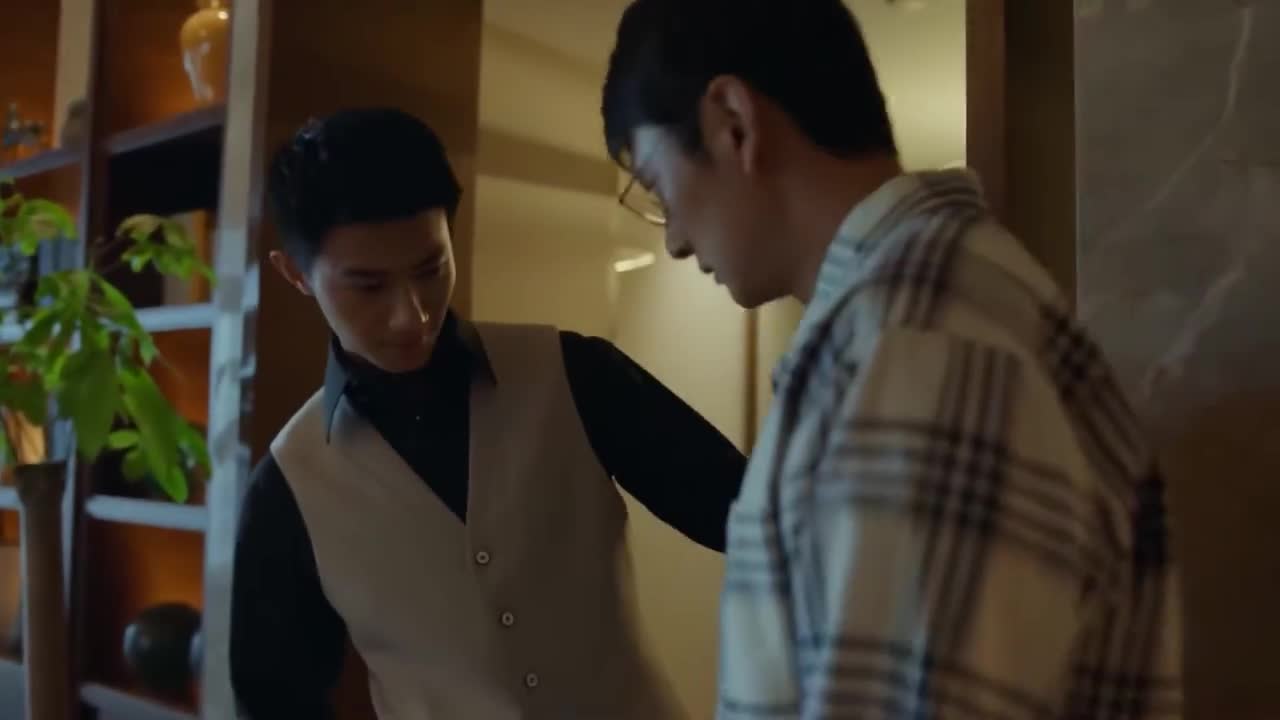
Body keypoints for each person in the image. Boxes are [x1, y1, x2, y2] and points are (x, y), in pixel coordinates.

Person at [601, 1, 1184, 718]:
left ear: (733, 122)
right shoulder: (921, 319)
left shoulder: (916, 343)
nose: (675, 241)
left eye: (658, 188)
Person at [229, 107, 746, 719]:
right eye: (368, 286)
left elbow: (755, 517)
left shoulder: (577, 376)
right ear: (296, 274)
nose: (413, 315)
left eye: (430, 269)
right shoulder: (287, 488)